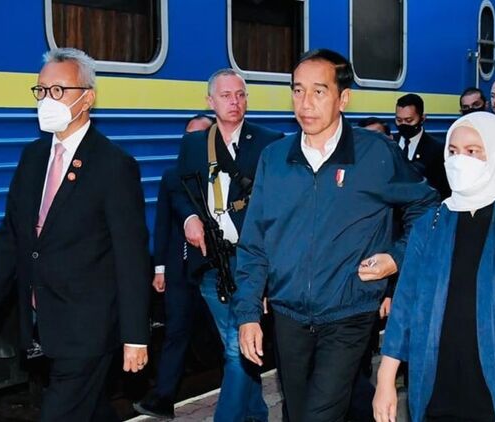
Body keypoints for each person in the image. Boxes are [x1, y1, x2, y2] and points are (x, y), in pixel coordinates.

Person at [234, 49, 437, 422]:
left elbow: (427, 207)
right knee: (298, 413)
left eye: (318, 91)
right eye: (298, 91)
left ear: (343, 98)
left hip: (349, 313)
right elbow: (254, 240)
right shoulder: (274, 158)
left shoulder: (375, 153)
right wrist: (248, 313)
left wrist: (397, 258)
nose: (305, 103)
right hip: (287, 314)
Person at [0, 48, 151, 422]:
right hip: (44, 320)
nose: (47, 100)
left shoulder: (114, 165)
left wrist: (135, 336)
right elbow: (12, 236)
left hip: (89, 327)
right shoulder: (32, 157)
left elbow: (131, 256)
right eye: (41, 90)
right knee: (91, 410)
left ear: (87, 98)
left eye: (58, 90)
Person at [374, 111, 495, 422]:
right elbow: (406, 305)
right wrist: (386, 378)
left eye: (473, 151)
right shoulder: (431, 225)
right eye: (453, 151)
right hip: (435, 384)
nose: (459, 161)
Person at [173, 68, 283, 422]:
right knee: (236, 347)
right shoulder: (194, 144)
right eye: (225, 95)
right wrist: (190, 218)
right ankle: (257, 414)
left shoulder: (270, 142)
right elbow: (177, 189)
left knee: (237, 350)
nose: (234, 102)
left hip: (252, 264)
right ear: (210, 101)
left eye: (240, 95)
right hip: (212, 264)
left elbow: (280, 207)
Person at [133, 115, 215, 419]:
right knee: (176, 332)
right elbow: (163, 223)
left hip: (212, 272)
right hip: (179, 272)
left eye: (200, 136)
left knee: (223, 336)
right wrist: (159, 269)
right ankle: (163, 398)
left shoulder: (221, 178)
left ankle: (243, 395)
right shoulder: (172, 176)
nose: (192, 142)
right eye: (189, 136)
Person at [395, 93, 451, 198]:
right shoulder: (390, 143)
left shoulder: (437, 149)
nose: (403, 124)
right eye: (399, 120)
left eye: (409, 120)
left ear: (422, 118)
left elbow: (443, 189)